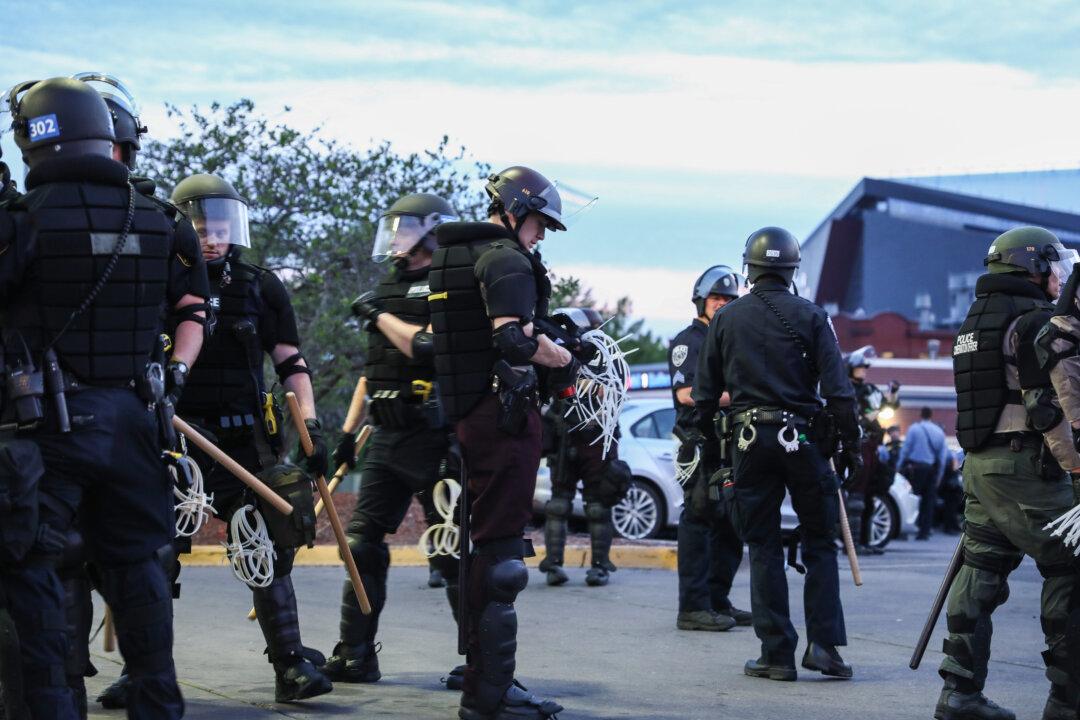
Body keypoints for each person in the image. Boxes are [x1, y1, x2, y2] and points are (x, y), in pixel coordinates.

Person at [0, 77, 209, 719]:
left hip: (46, 427)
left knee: (31, 573)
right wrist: (171, 373)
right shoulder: (159, 219)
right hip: (132, 420)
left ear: (33, 140)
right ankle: (158, 704)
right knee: (140, 569)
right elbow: (193, 309)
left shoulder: (23, 222)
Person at [98, 172, 333, 706]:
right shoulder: (155, 281)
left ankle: (291, 665)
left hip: (242, 445)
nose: (213, 235)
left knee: (264, 541)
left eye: (222, 225)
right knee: (151, 553)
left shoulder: (261, 286)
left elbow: (291, 363)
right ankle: (145, 672)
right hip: (170, 440)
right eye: (202, 225)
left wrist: (311, 426)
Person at [428, 166, 588, 719]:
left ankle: (492, 682)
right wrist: (567, 356)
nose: (540, 234)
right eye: (539, 223)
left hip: (473, 414)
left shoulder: (457, 254)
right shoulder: (503, 257)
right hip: (502, 418)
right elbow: (511, 340)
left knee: (485, 549)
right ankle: (487, 699)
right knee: (501, 559)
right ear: (515, 210)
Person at [693, 227, 860, 682]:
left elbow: (705, 397)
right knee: (820, 542)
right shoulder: (813, 316)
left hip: (749, 441)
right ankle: (824, 648)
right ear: (792, 269)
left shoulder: (726, 319)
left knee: (763, 545)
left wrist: (714, 447)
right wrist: (851, 445)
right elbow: (840, 394)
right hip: (803, 439)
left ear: (749, 268)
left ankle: (776, 654)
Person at [320, 192, 464, 686]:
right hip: (385, 435)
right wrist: (345, 433)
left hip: (436, 438)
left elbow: (422, 346)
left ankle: (481, 661)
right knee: (360, 544)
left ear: (430, 231)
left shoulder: (449, 285)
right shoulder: (385, 291)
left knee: (451, 551)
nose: (396, 238)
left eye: (405, 229)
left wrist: (376, 314)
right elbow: (372, 369)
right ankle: (356, 652)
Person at [938, 226, 1080, 720]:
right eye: (1054, 265)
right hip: (1027, 466)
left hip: (980, 466)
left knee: (980, 569)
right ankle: (1068, 701)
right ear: (1033, 266)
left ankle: (959, 693)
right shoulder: (1035, 321)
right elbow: (1048, 409)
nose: (1060, 275)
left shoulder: (974, 321)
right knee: (1072, 566)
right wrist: (1077, 466)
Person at [669, 265, 751, 631]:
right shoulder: (690, 340)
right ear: (702, 300)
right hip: (698, 441)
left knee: (731, 524)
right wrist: (739, 396)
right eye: (717, 298)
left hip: (729, 441)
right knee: (699, 520)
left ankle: (718, 600)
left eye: (729, 299)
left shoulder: (731, 339)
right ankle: (693, 607)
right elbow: (686, 395)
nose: (723, 304)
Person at [538, 307, 632, 588]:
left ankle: (600, 565)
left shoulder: (607, 356)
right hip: (564, 437)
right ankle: (554, 564)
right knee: (557, 505)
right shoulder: (557, 354)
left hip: (596, 438)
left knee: (597, 506)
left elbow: (614, 389)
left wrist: (583, 383)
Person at [842, 346, 900, 554]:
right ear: (850, 369)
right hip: (858, 445)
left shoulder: (870, 390)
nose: (863, 370)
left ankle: (865, 543)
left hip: (874, 446)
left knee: (869, 495)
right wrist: (871, 415)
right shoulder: (846, 390)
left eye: (864, 367)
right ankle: (853, 545)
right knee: (856, 497)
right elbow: (856, 416)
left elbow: (888, 407)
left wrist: (893, 393)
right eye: (859, 368)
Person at [897, 407, 951, 541]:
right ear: (931, 415)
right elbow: (942, 457)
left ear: (920, 414)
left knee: (913, 497)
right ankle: (924, 531)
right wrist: (939, 475)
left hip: (915, 469)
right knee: (928, 501)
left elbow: (905, 450)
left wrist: (898, 467)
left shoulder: (914, 429)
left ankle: (911, 525)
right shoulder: (938, 431)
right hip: (931, 470)